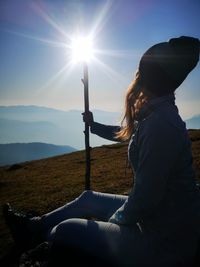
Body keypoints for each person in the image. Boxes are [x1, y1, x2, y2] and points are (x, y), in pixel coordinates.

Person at [3, 36, 200, 267]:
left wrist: (115, 221)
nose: (137, 74)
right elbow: (129, 133)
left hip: (163, 242)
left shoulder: (161, 124)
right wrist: (94, 126)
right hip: (162, 218)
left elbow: (145, 200)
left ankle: (41, 246)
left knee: (62, 231)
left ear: (149, 75)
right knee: (88, 198)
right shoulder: (158, 113)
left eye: (142, 69)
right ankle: (32, 227)